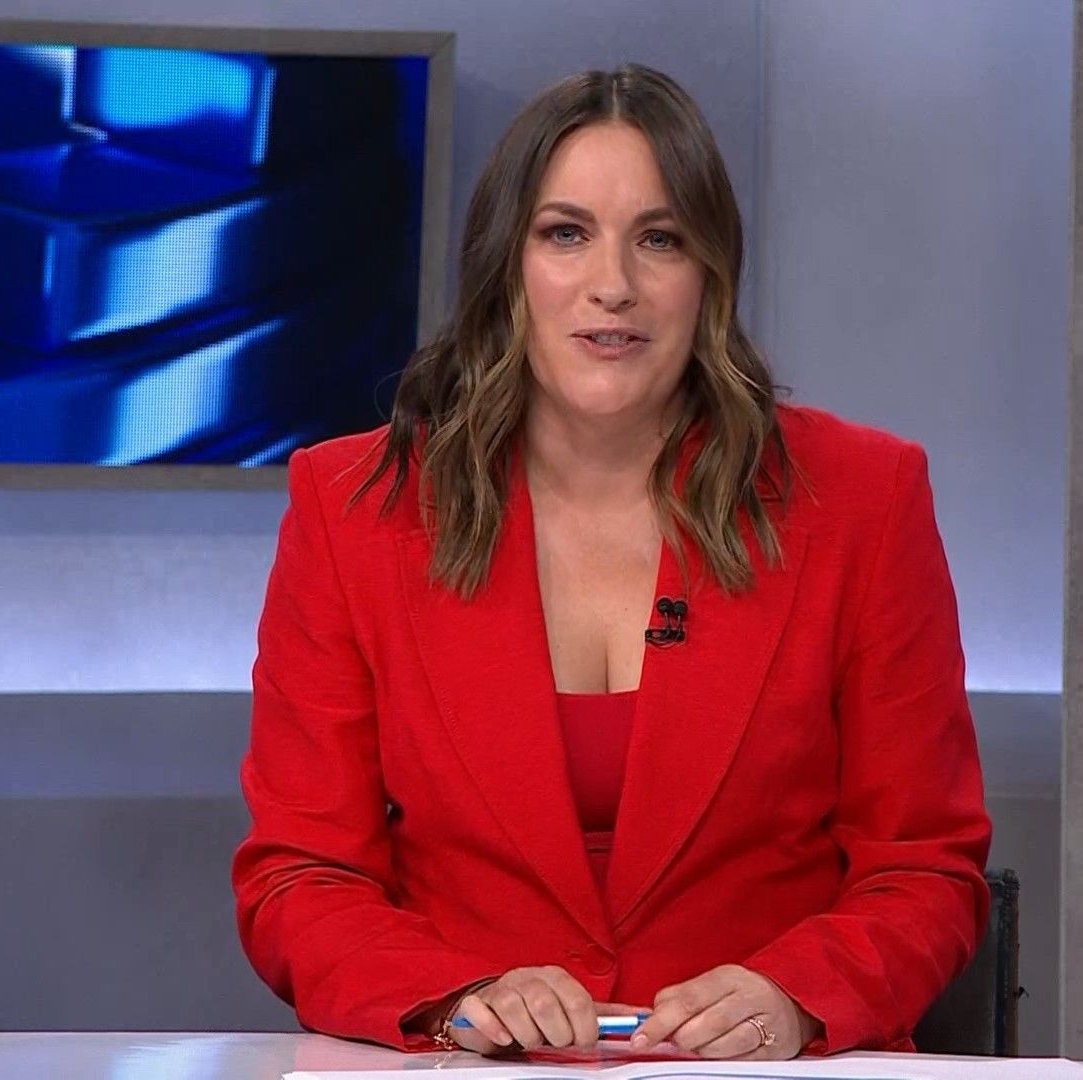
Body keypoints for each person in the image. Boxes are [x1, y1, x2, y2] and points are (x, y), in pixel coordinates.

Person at [231, 63, 990, 1060]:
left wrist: (799, 997)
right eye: (566, 233)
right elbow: (300, 876)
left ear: (710, 274)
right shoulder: (351, 508)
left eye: (659, 239)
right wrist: (453, 997)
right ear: (506, 265)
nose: (614, 285)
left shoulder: (861, 500)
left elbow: (923, 866)